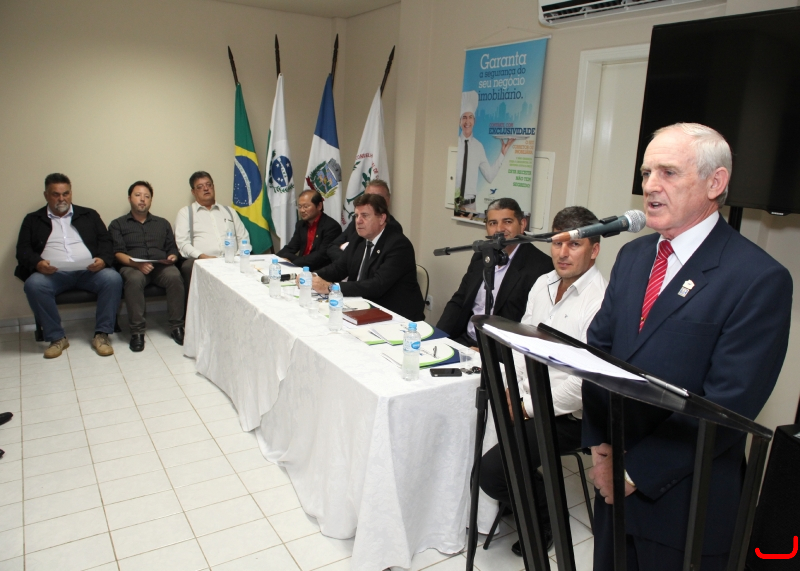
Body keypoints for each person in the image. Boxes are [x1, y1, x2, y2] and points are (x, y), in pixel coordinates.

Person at [583, 123, 792, 571]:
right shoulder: (633, 256)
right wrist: (600, 444)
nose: (650, 186)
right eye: (646, 173)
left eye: (669, 172)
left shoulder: (758, 278)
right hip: (612, 487)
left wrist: (632, 472)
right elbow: (598, 350)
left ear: (715, 183)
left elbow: (729, 403)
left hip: (685, 506)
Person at [479, 206, 606, 555]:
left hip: (568, 415)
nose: (562, 253)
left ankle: (546, 518)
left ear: (594, 249)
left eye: (574, 245)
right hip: (525, 393)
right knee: (468, 420)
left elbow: (584, 384)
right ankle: (515, 494)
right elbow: (522, 342)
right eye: (557, 243)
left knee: (491, 472)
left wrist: (526, 407)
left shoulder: (600, 301)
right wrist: (512, 388)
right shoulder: (543, 283)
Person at [15, 173, 123, 358]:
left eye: (65, 194)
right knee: (34, 284)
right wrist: (38, 264)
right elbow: (22, 250)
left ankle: (102, 335)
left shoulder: (89, 214)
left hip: (89, 271)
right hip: (53, 274)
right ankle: (57, 338)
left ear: (71, 193)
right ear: (46, 195)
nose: (61, 198)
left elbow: (106, 241)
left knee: (113, 278)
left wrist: (103, 260)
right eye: (56, 194)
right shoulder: (33, 219)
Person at [436, 197, 552, 349]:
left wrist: (487, 354)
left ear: (522, 224)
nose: (499, 229)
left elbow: (527, 328)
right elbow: (459, 300)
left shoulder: (541, 267)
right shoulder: (481, 256)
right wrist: (437, 337)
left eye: (507, 222)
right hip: (466, 339)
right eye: (493, 223)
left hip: (503, 352)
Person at [312, 194, 425, 321]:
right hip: (361, 307)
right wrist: (313, 276)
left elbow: (376, 285)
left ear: (381, 218)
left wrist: (332, 287)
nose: (358, 221)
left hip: (395, 316)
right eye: (356, 216)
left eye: (365, 216)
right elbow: (339, 268)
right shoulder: (358, 238)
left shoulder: (398, 245)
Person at [109, 181, 185, 352]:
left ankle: (177, 327)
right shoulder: (117, 224)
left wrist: (172, 256)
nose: (142, 199)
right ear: (129, 198)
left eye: (147, 196)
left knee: (174, 276)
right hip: (132, 265)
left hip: (160, 266)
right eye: (138, 195)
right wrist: (137, 264)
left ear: (151, 200)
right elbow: (117, 253)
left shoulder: (162, 223)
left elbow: (172, 248)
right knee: (134, 279)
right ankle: (137, 332)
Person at [174, 171, 249, 297]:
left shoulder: (229, 211)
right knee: (188, 266)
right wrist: (202, 256)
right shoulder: (185, 213)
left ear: (213, 187)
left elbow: (243, 237)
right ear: (193, 192)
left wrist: (237, 256)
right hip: (203, 261)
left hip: (233, 260)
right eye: (200, 186)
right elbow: (182, 243)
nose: (206, 188)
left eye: (208, 185)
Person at [454, 91, 514, 215]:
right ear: (459, 122)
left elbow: (489, 176)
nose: (467, 121)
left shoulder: (478, 147)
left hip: (470, 206)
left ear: (474, 121)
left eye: (470, 117)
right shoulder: (454, 144)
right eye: (464, 117)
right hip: (453, 203)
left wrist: (502, 154)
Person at [326, 179, 402, 264]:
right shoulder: (357, 222)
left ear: (388, 200)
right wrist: (347, 259)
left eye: (377, 197)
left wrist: (348, 256)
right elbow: (332, 247)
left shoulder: (393, 228)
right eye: (368, 196)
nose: (371, 201)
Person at [276, 189, 342, 271]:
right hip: (300, 268)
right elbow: (291, 248)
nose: (302, 210)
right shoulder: (300, 225)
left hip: (320, 271)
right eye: (300, 207)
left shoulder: (331, 227)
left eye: (306, 206)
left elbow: (321, 256)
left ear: (319, 206)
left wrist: (292, 262)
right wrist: (274, 258)